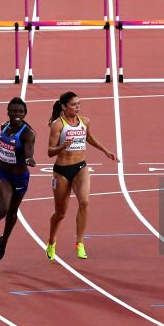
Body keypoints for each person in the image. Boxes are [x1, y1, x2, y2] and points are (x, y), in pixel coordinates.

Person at [45, 92, 118, 261]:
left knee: (84, 202)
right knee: (60, 213)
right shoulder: (57, 125)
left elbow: (89, 138)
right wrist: (62, 146)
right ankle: (51, 241)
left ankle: (80, 242)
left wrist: (105, 151)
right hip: (62, 171)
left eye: (79, 104)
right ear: (63, 106)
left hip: (80, 168)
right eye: (74, 104)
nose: (78, 107)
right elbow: (50, 152)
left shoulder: (85, 121)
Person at [0, 98, 36, 261]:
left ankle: (3, 242)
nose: (17, 114)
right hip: (3, 174)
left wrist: (29, 159)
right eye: (13, 111)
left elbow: (28, 151)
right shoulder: (3, 126)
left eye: (20, 112)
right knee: (3, 210)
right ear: (8, 112)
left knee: (12, 213)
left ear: (25, 113)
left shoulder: (28, 133)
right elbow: (3, 142)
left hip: (20, 178)